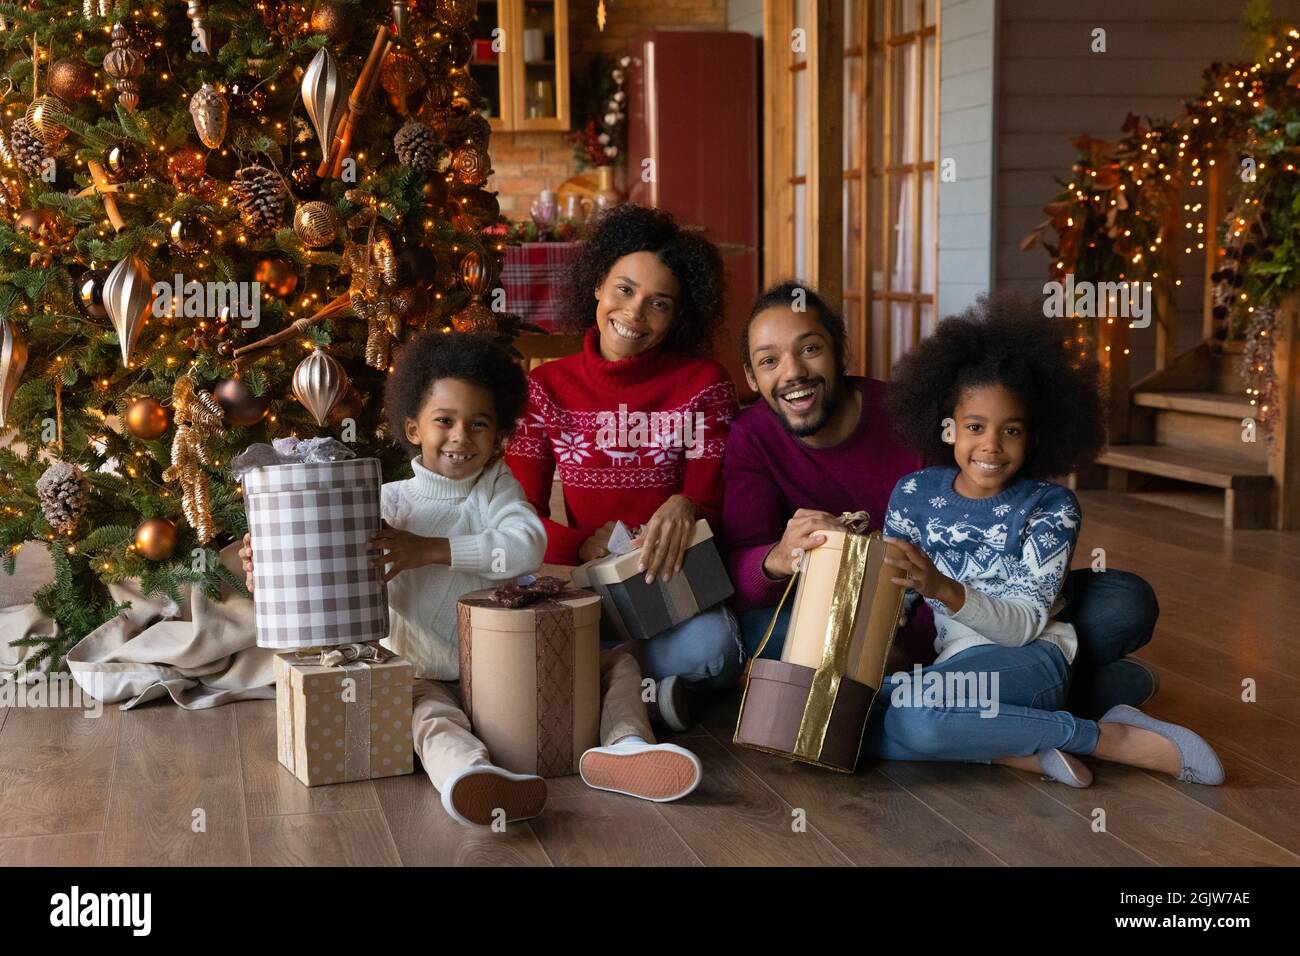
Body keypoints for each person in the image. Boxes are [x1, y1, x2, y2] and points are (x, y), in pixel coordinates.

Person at [242, 332, 703, 827]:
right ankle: (469, 775)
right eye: (445, 421)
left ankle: (626, 746)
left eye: (478, 424)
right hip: (420, 671)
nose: (461, 436)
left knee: (615, 666)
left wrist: (431, 551)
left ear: (500, 435)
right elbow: (321, 562)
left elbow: (527, 545)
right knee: (430, 719)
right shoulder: (386, 502)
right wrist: (268, 563)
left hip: (504, 665)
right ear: (414, 427)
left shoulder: (495, 487)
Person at [723, 281, 1161, 720]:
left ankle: (943, 690)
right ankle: (1048, 686)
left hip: (963, 600)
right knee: (763, 630)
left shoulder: (908, 412)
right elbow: (743, 576)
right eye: (769, 360)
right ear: (751, 376)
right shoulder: (751, 436)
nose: (793, 371)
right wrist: (778, 557)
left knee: (1125, 601)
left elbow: (995, 502)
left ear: (840, 351)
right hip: (852, 619)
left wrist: (934, 592)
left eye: (810, 348)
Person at [862, 292, 1222, 786]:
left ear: (1033, 438)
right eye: (974, 427)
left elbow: (1024, 625)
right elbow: (894, 603)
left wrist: (942, 587)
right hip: (957, 666)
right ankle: (1017, 750)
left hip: (1034, 658)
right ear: (947, 430)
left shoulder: (1051, 508)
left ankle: (1102, 737)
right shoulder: (913, 493)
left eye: (1011, 430)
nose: (991, 445)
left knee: (911, 717)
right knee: (853, 721)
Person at [506, 204, 744, 730]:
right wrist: (579, 544)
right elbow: (516, 515)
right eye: (625, 290)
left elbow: (717, 504)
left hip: (674, 588)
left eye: (659, 304)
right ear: (597, 286)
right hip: (585, 586)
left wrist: (687, 505)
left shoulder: (705, 384)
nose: (634, 314)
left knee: (716, 650)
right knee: (521, 646)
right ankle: (644, 693)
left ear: (679, 316)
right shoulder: (546, 389)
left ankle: (610, 686)